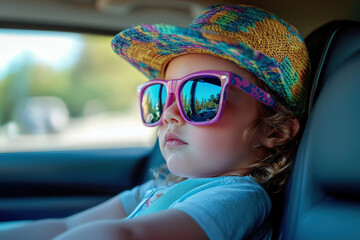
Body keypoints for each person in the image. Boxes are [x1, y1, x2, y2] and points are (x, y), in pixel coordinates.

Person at [0, 4, 310, 240]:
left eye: (201, 95)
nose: (168, 114)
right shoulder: (159, 188)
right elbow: (65, 225)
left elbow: (127, 236)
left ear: (275, 129)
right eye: (160, 96)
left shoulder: (238, 198)